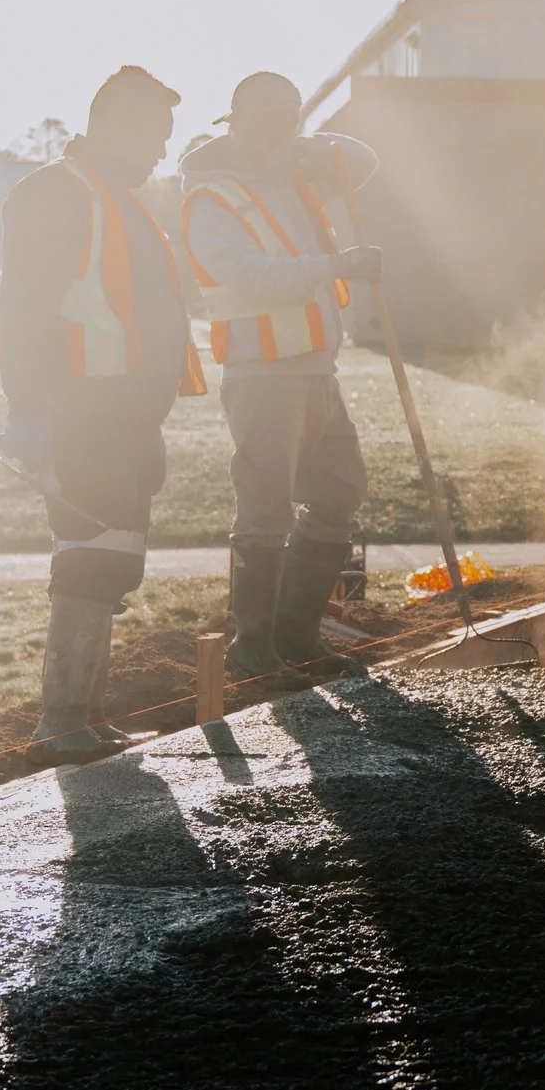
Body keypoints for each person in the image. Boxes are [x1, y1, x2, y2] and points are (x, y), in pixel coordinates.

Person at [0, 66, 206, 766]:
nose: (159, 153)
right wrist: (27, 410)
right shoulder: (57, 192)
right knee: (88, 559)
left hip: (125, 416)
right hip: (81, 410)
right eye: (152, 137)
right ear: (115, 126)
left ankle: (88, 714)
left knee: (113, 558)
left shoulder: (122, 199)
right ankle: (58, 721)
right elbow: (23, 308)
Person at [180, 72, 386, 691]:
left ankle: (297, 635)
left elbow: (363, 161)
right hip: (262, 375)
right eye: (268, 114)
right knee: (266, 510)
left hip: (317, 368)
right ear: (233, 117)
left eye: (290, 114)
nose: (281, 125)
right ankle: (253, 645)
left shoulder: (291, 182)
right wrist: (337, 266)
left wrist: (306, 144)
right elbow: (248, 278)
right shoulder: (209, 200)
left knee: (339, 493)